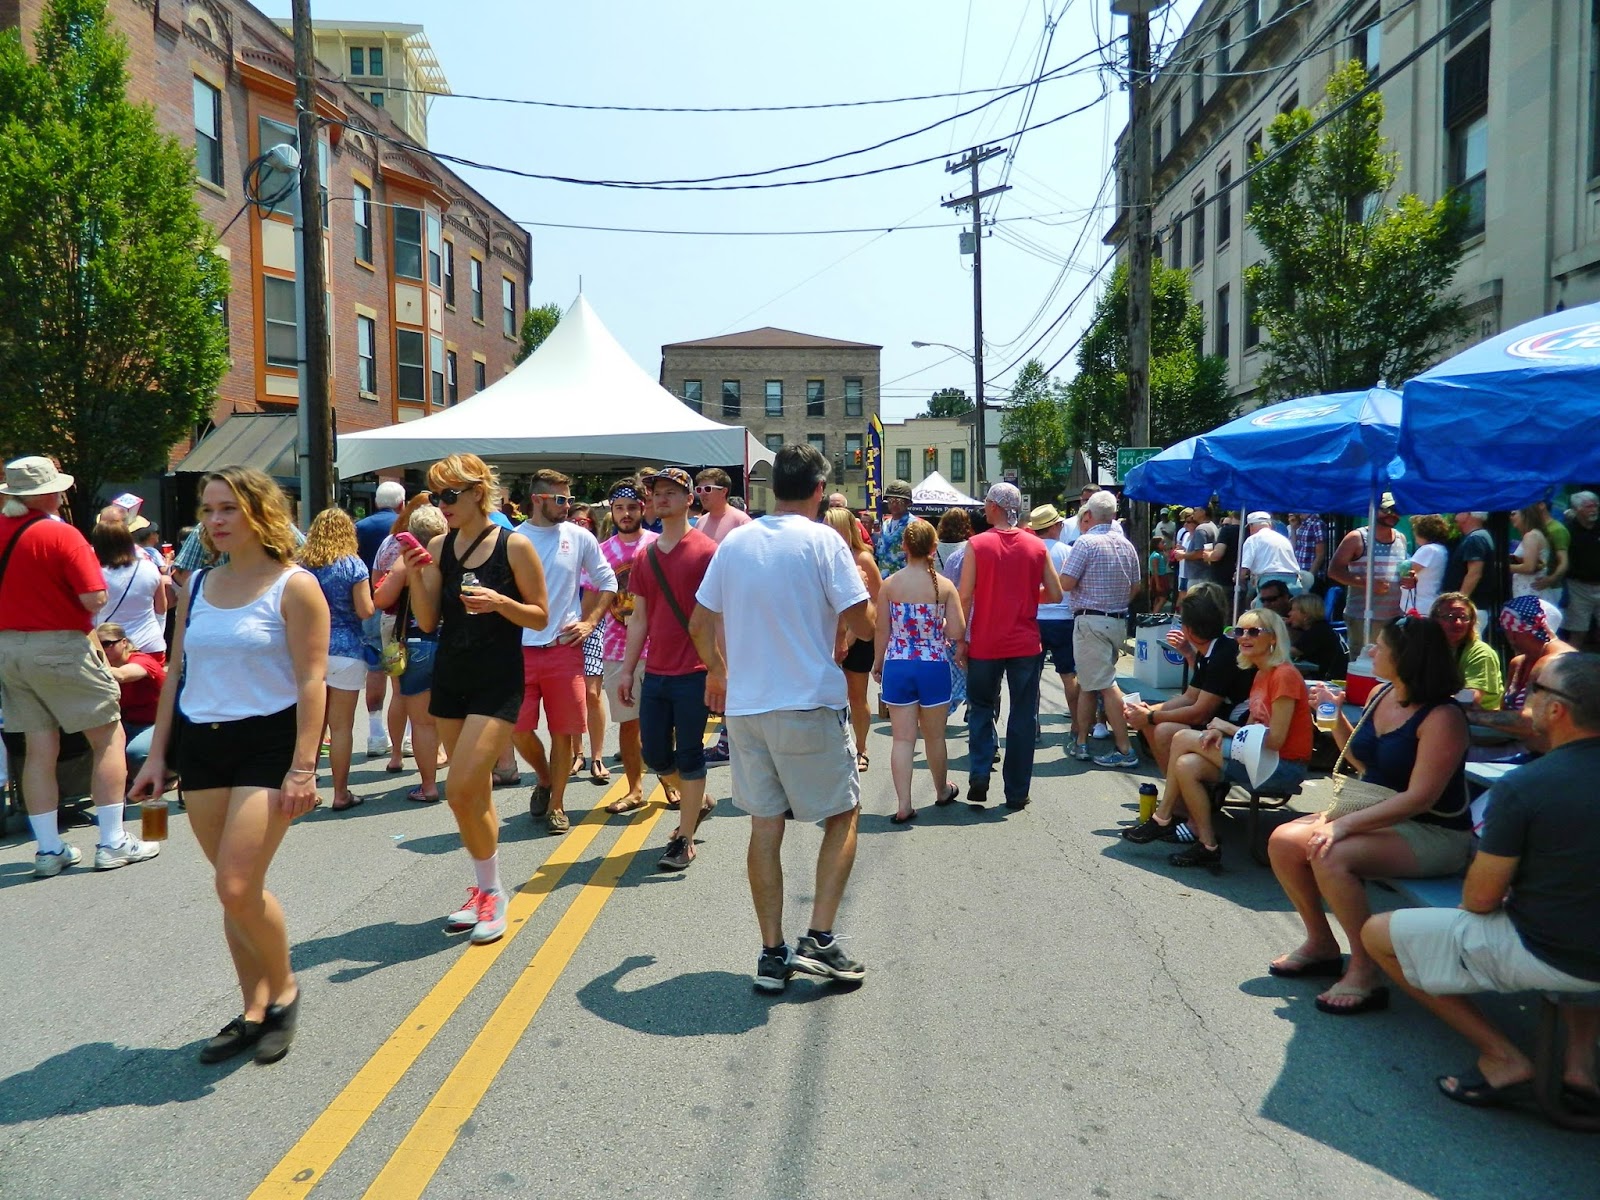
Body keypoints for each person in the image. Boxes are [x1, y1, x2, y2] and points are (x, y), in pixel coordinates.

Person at [129, 465, 328, 1064]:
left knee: (237, 884)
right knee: (234, 893)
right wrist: (157, 755)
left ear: (260, 514)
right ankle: (252, 1008)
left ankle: (284, 989)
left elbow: (313, 679)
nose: (214, 521)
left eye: (227, 510)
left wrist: (303, 766)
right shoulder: (198, 586)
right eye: (208, 510)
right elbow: (177, 678)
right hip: (203, 743)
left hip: (268, 743)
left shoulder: (296, 586)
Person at [1362, 652, 1600, 1109]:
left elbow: (1479, 899)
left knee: (1377, 933)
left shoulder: (1526, 787)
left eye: (1536, 690)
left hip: (1555, 953)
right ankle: (1580, 1066)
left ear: (1558, 710)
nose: (1526, 699)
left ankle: (1502, 1055)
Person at [690, 443, 873, 993]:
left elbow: (700, 623)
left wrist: (717, 671)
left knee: (764, 826)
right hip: (807, 701)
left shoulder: (737, 543)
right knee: (843, 813)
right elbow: (861, 624)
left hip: (747, 708)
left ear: (773, 490)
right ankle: (818, 938)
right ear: (820, 490)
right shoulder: (825, 541)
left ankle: (772, 953)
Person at [1267, 616, 1472, 1016]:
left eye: (1380, 646)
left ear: (1406, 657)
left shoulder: (1443, 717)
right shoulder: (1382, 693)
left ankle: (1365, 966)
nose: (1370, 652)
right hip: (1376, 812)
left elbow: (1419, 799)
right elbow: (1362, 763)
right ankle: (1322, 944)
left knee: (1330, 852)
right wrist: (1336, 717)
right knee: (1282, 842)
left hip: (1433, 832)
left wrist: (1342, 825)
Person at [400, 453, 549, 945]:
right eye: (435, 496)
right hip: (451, 678)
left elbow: (540, 617)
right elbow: (425, 622)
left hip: (498, 680)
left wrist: (500, 603)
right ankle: (486, 890)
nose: (441, 505)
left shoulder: (515, 545)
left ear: (478, 493)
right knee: (471, 799)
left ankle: (495, 895)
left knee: (461, 787)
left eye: (449, 495)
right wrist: (416, 570)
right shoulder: (441, 544)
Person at [0, 457, 157, 876]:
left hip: (8, 649)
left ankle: (49, 850)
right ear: (49, 493)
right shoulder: (60, 534)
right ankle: (112, 840)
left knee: (38, 748)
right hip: (60, 644)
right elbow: (94, 600)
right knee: (107, 735)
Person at [1123, 607, 1312, 867]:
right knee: (1185, 765)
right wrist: (1218, 730)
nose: (1244, 637)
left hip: (1282, 766)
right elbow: (1253, 724)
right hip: (1257, 757)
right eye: (1239, 631)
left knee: (1181, 739)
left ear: (1274, 639)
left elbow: (1276, 741)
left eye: (1254, 631)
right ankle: (1208, 844)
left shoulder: (1284, 675)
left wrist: (1227, 728)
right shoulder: (1261, 673)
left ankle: (1163, 816)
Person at [619, 467, 717, 871]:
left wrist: (720, 670)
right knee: (655, 753)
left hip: (696, 669)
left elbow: (720, 617)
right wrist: (627, 669)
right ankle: (700, 803)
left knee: (691, 754)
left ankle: (685, 837)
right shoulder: (645, 555)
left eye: (671, 492)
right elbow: (638, 617)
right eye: (656, 492)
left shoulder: (708, 551)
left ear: (689, 499)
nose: (661, 498)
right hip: (657, 670)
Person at [510, 469, 616, 835]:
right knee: (517, 728)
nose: (568, 506)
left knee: (564, 730)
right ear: (537, 500)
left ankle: (556, 804)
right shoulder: (512, 538)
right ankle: (544, 778)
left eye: (570, 499)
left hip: (563, 649)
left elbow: (608, 581)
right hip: (518, 651)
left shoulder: (579, 536)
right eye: (560, 499)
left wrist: (589, 623)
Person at [957, 483, 1063, 807]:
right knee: (1022, 716)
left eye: (987, 502)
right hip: (1025, 644)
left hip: (985, 642)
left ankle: (979, 771)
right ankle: (1017, 792)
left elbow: (964, 595)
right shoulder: (1036, 546)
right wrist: (1031, 596)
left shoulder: (977, 544)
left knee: (980, 706)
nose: (985, 507)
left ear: (995, 507)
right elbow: (1056, 594)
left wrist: (960, 640)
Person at [873, 517, 965, 822]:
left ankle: (904, 803)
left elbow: (882, 630)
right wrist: (937, 626)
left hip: (898, 664)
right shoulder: (945, 586)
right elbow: (957, 630)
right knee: (934, 737)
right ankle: (941, 790)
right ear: (933, 547)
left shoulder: (890, 584)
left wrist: (877, 664)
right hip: (934, 665)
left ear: (904, 546)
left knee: (902, 739)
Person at [1125, 588, 1255, 775]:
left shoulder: (1223, 655)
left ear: (1187, 629)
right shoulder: (1212, 648)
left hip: (1237, 732)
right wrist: (1147, 711)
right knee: (1153, 723)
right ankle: (1176, 792)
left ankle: (1178, 795)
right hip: (1222, 724)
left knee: (1163, 730)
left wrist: (1149, 716)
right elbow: (1189, 697)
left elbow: (1199, 713)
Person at [297, 508, 375, 812]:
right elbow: (365, 610)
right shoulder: (353, 565)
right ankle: (341, 793)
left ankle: (308, 789)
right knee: (341, 727)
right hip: (347, 649)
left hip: (310, 651)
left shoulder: (303, 566)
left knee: (311, 725)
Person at [371, 504, 448, 803]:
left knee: (423, 722)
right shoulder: (453, 557)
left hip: (417, 642)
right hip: (452, 642)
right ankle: (464, 781)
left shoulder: (408, 561)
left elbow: (382, 598)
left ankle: (428, 786)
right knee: (456, 716)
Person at [1059, 490, 1139, 768]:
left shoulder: (1086, 542)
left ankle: (1125, 748)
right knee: (1090, 683)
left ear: (1089, 515)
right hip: (1117, 619)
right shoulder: (1126, 545)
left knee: (1103, 683)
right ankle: (1081, 740)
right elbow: (1136, 586)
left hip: (1090, 620)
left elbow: (1066, 583)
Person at [596, 479, 659, 815]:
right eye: (619, 508)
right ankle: (634, 789)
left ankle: (668, 781)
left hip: (658, 647)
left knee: (663, 724)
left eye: (632, 507)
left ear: (643, 509)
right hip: (617, 649)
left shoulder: (657, 545)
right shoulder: (602, 552)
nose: (626, 513)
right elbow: (594, 597)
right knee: (629, 723)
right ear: (612, 511)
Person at [1463, 596, 1578, 757]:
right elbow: (1508, 714)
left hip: (1549, 756)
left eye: (1511, 632)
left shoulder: (1553, 662)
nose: (1510, 639)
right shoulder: (1518, 663)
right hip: (1516, 746)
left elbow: (1532, 722)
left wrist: (1470, 716)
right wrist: (1480, 712)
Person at [823, 507, 883, 772]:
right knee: (827, 698)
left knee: (857, 696)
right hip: (825, 636)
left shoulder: (863, 559)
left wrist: (852, 635)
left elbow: (878, 601)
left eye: (832, 526)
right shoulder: (821, 557)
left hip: (859, 636)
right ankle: (834, 748)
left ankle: (861, 748)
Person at [357, 481, 405, 759]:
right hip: (400, 606)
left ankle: (375, 733)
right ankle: (408, 736)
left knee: (375, 666)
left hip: (370, 601)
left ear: (376, 503)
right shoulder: (404, 527)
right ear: (401, 503)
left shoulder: (361, 527)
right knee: (404, 671)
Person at [566, 501, 610, 783]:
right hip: (564, 628)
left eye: (585, 523)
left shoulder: (597, 554)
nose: (579, 527)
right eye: (574, 522)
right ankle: (577, 753)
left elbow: (605, 589)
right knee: (572, 696)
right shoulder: (559, 553)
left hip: (593, 627)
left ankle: (597, 757)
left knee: (592, 694)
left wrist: (588, 623)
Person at [1030, 505, 1080, 747]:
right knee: (1069, 675)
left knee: (1032, 676)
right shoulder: (1068, 552)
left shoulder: (1030, 551)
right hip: (1064, 619)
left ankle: (1033, 724)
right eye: (1059, 524)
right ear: (1053, 526)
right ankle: (1077, 727)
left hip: (1035, 618)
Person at [1328, 492, 1409, 640]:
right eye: (1387, 510)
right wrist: (1367, 583)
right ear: (1373, 510)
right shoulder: (1357, 537)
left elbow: (1401, 571)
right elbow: (1334, 571)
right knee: (1362, 662)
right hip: (1363, 617)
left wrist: (1410, 579)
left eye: (1397, 511)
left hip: (1394, 616)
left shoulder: (1401, 538)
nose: (1392, 514)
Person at [92, 510, 168, 656]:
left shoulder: (94, 574)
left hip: (110, 649)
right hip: (150, 645)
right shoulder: (149, 567)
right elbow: (161, 607)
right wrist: (157, 633)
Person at [97, 622, 166, 777]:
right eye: (98, 645)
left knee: (135, 753)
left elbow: (123, 675)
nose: (103, 649)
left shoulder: (142, 660)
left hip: (157, 723)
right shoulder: (106, 667)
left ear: (124, 642)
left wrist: (87, 665)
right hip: (127, 723)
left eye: (107, 643)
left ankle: (169, 774)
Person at [1431, 592, 1503, 711]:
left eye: (1463, 618)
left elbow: (1469, 700)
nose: (1458, 623)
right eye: (1450, 617)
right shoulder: (1428, 649)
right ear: (1434, 621)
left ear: (1472, 622)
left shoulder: (1481, 653)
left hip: (1479, 724)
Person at [1443, 512, 1497, 633]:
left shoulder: (1475, 538)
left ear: (1469, 514)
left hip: (1470, 609)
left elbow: (1474, 573)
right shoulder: (1478, 536)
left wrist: (1459, 603)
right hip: (1471, 608)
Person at [1562, 491, 1600, 648]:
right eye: (1588, 506)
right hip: (1578, 587)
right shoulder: (1567, 531)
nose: (1594, 510)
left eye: (1596, 505)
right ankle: (1571, 669)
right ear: (1577, 509)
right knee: (1578, 632)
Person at [1238, 511, 1301, 599]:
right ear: (1270, 525)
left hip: (1269, 582)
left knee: (1264, 612)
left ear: (1251, 526)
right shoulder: (1283, 539)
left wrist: (1238, 577)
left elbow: (1244, 568)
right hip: (1293, 581)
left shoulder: (1252, 539)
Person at [1285, 591, 1346, 681]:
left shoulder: (1318, 631)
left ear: (1305, 613)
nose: (1289, 614)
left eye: (1293, 610)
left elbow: (1289, 652)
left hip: (1330, 681)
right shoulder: (1319, 627)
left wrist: (1279, 629)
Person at [1509, 505, 1561, 609]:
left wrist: (1504, 566)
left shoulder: (1531, 536)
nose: (1510, 517)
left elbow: (1529, 567)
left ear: (1525, 514)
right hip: (1531, 593)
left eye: (1514, 513)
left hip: (1530, 594)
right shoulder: (1536, 534)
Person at [1401, 514, 1451, 617]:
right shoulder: (1441, 549)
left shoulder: (1428, 549)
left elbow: (1407, 570)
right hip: (1430, 602)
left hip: (1419, 605)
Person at [695, 468, 752, 543]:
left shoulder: (741, 521)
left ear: (723, 491)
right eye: (699, 489)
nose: (702, 494)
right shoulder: (700, 523)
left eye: (707, 489)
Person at [874, 479, 913, 575]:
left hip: (904, 578)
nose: (894, 504)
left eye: (899, 501)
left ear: (908, 503)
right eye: (891, 500)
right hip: (884, 577)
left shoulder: (913, 525)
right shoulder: (885, 524)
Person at [1289, 512, 1328, 588]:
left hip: (1312, 576)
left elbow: (1320, 554)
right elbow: (1294, 548)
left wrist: (1310, 576)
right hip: (1300, 574)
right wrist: (1293, 528)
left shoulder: (1317, 524)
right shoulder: (1303, 524)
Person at [1147, 534, 1172, 612]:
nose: (1164, 544)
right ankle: (1154, 614)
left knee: (1158, 599)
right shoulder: (1155, 556)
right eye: (1162, 543)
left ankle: (1154, 613)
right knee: (1163, 598)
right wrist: (1157, 584)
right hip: (1159, 578)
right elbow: (1155, 570)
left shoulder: (1161, 554)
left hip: (1162, 577)